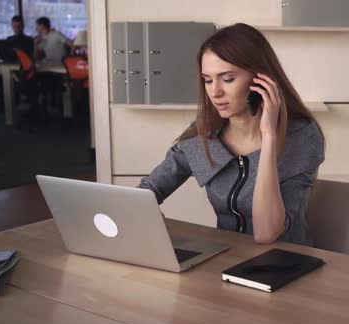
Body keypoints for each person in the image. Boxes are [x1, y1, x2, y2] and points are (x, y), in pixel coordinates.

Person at [138, 23, 325, 246]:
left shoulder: (302, 137)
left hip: (286, 265)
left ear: (260, 79)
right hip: (225, 261)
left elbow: (267, 233)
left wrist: (269, 138)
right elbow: (146, 193)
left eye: (228, 79)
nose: (215, 92)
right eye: (208, 80)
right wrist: (149, 221)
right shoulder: (204, 135)